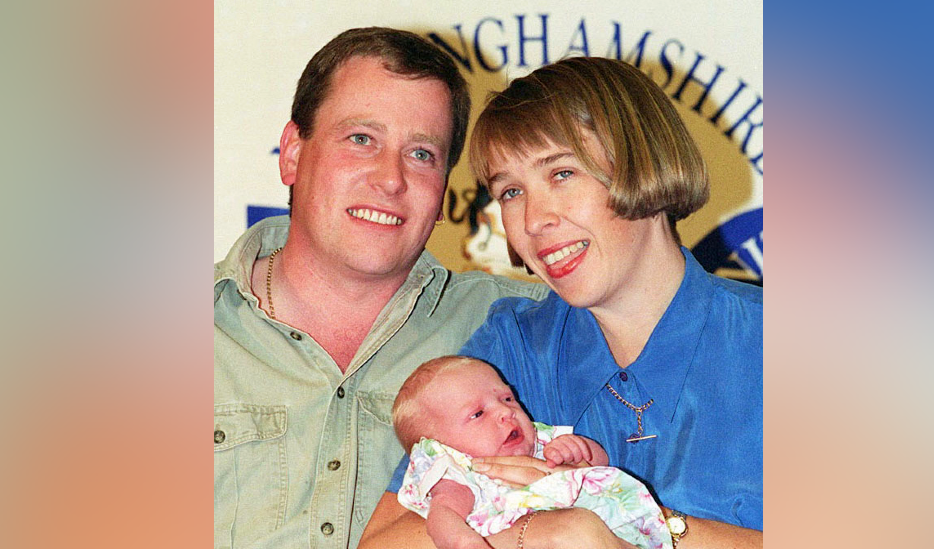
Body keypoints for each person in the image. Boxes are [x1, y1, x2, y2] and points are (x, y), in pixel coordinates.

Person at [361, 56, 762, 549]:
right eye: (510, 191)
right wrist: (549, 532)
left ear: (645, 163)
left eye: (562, 174)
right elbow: (385, 541)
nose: (533, 219)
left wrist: (639, 525)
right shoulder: (509, 350)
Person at [213, 27, 548, 549]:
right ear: (292, 154)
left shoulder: (521, 329)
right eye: (361, 139)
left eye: (421, 154)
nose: (391, 179)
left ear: (443, 196)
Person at [392, 356, 671, 549]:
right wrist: (464, 542)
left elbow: (601, 467)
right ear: (442, 447)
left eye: (507, 398)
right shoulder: (463, 475)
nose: (505, 412)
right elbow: (441, 517)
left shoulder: (543, 441)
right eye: (477, 413)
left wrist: (580, 450)